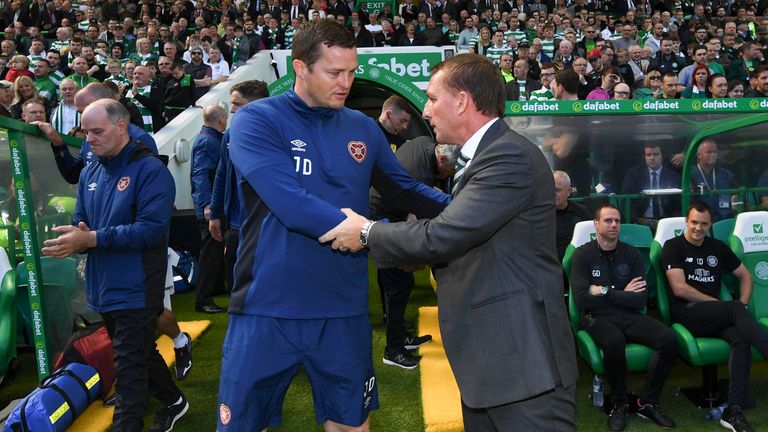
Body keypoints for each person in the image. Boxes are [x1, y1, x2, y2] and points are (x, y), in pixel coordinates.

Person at [321, 54, 578, 431]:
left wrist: (366, 232)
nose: (425, 111)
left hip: (523, 364)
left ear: (461, 101)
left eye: (431, 98)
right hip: (492, 363)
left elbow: (443, 234)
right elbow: (466, 236)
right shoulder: (485, 157)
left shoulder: (508, 156)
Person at [218, 20, 448, 431]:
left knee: (351, 424)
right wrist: (368, 233)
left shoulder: (362, 128)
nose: (347, 82)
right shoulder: (257, 120)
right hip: (267, 305)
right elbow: (290, 203)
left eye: (352, 71)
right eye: (335, 73)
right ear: (300, 67)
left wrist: (468, 210)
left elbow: (405, 190)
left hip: (342, 308)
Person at [41, 99, 188, 432]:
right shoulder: (92, 166)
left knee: (128, 373)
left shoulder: (150, 170)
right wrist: (77, 233)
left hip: (137, 285)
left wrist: (91, 239)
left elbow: (150, 231)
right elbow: (83, 216)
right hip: (103, 284)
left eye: (96, 131)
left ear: (121, 126)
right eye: (85, 131)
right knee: (136, 354)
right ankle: (174, 400)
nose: (88, 139)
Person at [662, 202, 768, 432]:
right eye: (694, 222)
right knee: (735, 310)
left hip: (716, 316)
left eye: (703, 224)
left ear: (710, 225)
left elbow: (746, 277)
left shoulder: (716, 247)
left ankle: (733, 411)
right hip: (688, 314)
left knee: (741, 337)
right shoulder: (673, 246)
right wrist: (726, 306)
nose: (698, 228)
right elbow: (679, 288)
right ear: (686, 222)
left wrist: (743, 303)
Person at [572, 205, 677, 432]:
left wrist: (603, 291)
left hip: (628, 315)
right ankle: (619, 403)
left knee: (668, 338)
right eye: (608, 220)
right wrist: (622, 293)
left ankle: (646, 401)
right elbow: (582, 300)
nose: (613, 225)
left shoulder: (631, 254)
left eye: (617, 221)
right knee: (614, 340)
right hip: (595, 317)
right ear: (596, 224)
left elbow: (639, 300)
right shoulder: (582, 255)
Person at [369, 137, 461, 369]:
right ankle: (393, 349)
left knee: (399, 283)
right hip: (383, 219)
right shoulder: (420, 173)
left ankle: (400, 336)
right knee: (397, 284)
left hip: (387, 216)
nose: (449, 175)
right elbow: (416, 217)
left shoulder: (423, 145)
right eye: (450, 169)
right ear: (441, 159)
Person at [209, 80, 269, 298]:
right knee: (238, 293)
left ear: (257, 105)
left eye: (237, 104)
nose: (231, 109)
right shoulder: (230, 135)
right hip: (236, 226)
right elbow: (222, 174)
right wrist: (215, 214)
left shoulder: (279, 135)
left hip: (268, 227)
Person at [191, 104, 228, 314]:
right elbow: (200, 173)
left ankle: (214, 288)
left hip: (212, 204)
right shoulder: (208, 141)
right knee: (211, 252)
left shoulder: (209, 139)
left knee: (214, 251)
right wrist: (207, 205)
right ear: (221, 119)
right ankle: (203, 299)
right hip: (211, 206)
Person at [621, 144, 681, 226]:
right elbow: (626, 201)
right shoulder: (633, 174)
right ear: (644, 157)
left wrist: (672, 221)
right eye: (648, 155)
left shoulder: (673, 176)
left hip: (666, 221)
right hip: (641, 222)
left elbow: (678, 203)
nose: (652, 158)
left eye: (656, 154)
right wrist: (634, 221)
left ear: (662, 156)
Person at [690, 139, 736, 222]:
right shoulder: (690, 175)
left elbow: (736, 198)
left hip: (725, 220)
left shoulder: (726, 174)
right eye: (709, 152)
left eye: (715, 152)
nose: (713, 155)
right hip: (701, 221)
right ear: (699, 155)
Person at [554, 170, 590, 262]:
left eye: (558, 190)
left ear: (569, 191)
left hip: (578, 262)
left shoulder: (581, 211)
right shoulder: (541, 214)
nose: (554, 194)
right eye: (550, 189)